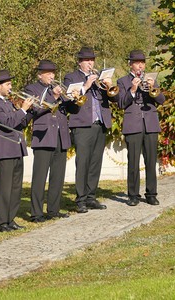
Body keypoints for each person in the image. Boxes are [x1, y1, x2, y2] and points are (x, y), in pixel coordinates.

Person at [64, 46, 117, 213]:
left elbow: (113, 98)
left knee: (95, 162)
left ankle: (91, 197)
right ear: (80, 62)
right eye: (87, 60)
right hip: (81, 125)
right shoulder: (71, 77)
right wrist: (85, 86)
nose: (90, 63)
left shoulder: (100, 78)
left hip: (99, 124)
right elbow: (68, 99)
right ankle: (80, 199)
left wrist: (108, 87)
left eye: (92, 60)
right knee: (83, 162)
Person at [115, 49, 165, 206]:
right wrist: (133, 90)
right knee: (133, 161)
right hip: (133, 125)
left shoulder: (151, 79)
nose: (140, 66)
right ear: (130, 65)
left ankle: (151, 194)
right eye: (137, 63)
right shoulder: (122, 81)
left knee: (151, 160)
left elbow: (161, 100)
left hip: (150, 124)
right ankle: (133, 195)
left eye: (142, 63)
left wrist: (152, 90)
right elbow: (121, 103)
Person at [24, 60, 73, 222]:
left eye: (53, 73)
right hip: (43, 136)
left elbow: (72, 109)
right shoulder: (32, 88)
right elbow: (37, 109)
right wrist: (54, 96)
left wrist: (74, 97)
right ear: (40, 75)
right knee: (40, 177)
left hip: (60, 136)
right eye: (48, 73)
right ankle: (36, 213)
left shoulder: (58, 89)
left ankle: (53, 209)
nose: (52, 76)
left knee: (58, 176)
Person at [0, 70, 33, 232]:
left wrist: (30, 111)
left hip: (16, 148)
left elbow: (20, 123)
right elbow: (7, 123)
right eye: (7, 84)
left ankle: (10, 219)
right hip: (5, 150)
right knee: (4, 188)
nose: (10, 87)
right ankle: (1, 222)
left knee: (15, 188)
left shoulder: (7, 102)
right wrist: (22, 110)